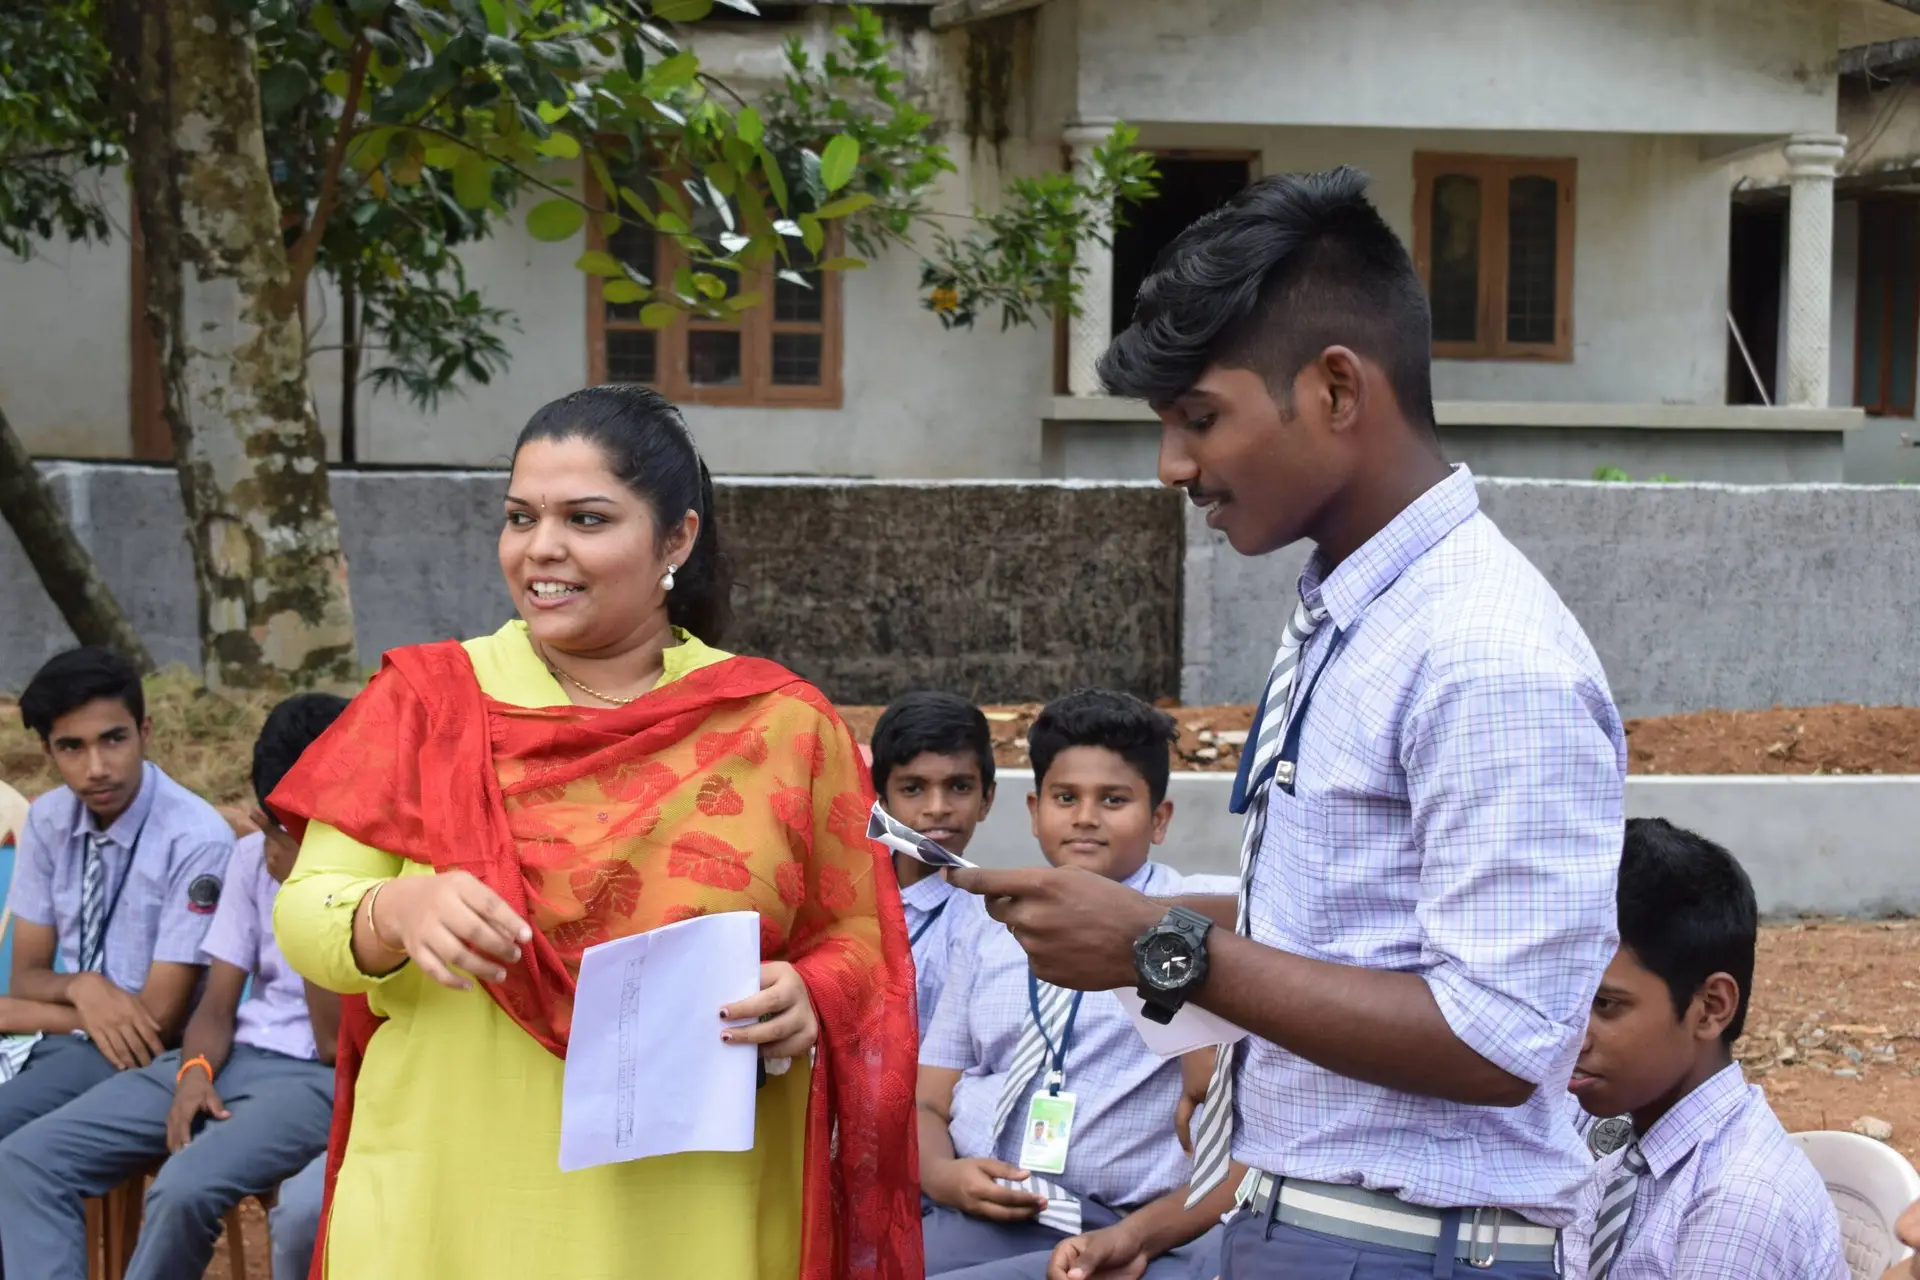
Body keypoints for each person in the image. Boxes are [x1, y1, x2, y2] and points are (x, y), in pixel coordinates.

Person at [951, 168, 1625, 1280]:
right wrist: (1138, 918)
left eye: (1199, 419)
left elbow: (1503, 1032)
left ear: (1337, 390)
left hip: (1403, 1249)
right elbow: (1351, 932)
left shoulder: (1483, 652)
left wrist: (1161, 947)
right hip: (1307, 1222)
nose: (1174, 467)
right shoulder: (1353, 613)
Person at [269, 384, 920, 1280]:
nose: (542, 548)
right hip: (450, 1194)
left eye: (585, 518)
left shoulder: (778, 724)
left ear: (676, 540)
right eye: (520, 517)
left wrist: (809, 994)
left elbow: (860, 939)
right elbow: (305, 913)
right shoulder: (429, 702)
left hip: (690, 1209)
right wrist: (395, 911)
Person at [0, 693, 348, 1278]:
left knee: (183, 1189)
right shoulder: (250, 857)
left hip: (315, 1078)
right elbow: (217, 1006)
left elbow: (334, 1043)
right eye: (277, 818)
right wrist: (194, 1071)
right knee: (25, 1160)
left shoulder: (378, 872)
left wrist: (309, 886)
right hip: (228, 1056)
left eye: (299, 822)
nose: (282, 835)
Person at [919, 690, 1222, 1280]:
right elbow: (928, 1098)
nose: (1085, 817)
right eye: (1065, 798)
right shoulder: (987, 928)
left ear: (1160, 819)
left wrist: (1173, 948)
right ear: (1034, 812)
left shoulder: (1197, 913)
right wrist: (942, 1175)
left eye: (1113, 799)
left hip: (1136, 1224)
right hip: (987, 1211)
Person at [1562, 818, 1846, 1279]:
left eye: (1605, 1005)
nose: (1571, 1034)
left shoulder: (1736, 1201)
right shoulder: (1626, 1127)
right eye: (1564, 998)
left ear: (1710, 1008)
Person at [0, 648, 232, 1144]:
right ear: (47, 751)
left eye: (113, 739)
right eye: (72, 747)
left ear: (145, 732)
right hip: (63, 1039)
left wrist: (19, 1013)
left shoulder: (195, 838)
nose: (97, 768)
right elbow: (25, 977)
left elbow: (157, 1022)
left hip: (144, 1058)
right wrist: (83, 988)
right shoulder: (48, 819)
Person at [869, 691, 995, 1034]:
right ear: (883, 804)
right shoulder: (847, 895)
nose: (937, 808)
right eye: (912, 789)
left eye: (959, 787)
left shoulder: (989, 921)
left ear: (986, 799)